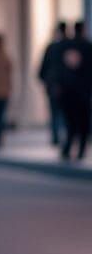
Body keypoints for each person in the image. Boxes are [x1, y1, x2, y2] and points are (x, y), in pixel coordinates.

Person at [58, 20, 92, 161]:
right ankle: (81, 149)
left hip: (67, 91)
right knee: (83, 122)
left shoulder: (63, 47)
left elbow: (55, 69)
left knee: (70, 122)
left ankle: (67, 148)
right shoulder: (87, 47)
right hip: (83, 92)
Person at [37, 21, 68, 146]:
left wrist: (45, 80)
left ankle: (57, 137)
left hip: (54, 84)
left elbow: (43, 68)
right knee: (63, 112)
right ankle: (63, 136)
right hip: (64, 85)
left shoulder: (52, 47)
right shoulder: (66, 46)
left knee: (55, 111)